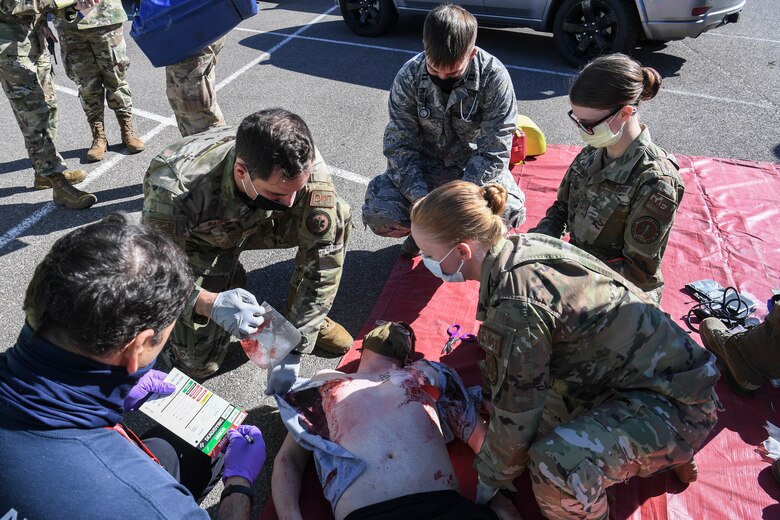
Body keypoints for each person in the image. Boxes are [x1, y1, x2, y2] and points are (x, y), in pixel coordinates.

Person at [410, 180, 720, 519]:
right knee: (523, 418)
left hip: (679, 406)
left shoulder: (517, 304)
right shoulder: (524, 247)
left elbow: (517, 414)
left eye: (428, 254)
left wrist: (489, 480)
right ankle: (663, 450)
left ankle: (668, 451)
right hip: (660, 379)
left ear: (462, 252)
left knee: (554, 467)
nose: (425, 261)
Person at [0, 213, 267, 519]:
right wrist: (239, 485)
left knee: (186, 448)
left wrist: (102, 391)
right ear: (138, 347)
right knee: (217, 449)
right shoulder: (157, 508)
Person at [142, 108, 352, 391]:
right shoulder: (175, 189)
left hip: (264, 225)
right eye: (278, 193)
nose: (290, 203)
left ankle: (305, 319)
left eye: (296, 191)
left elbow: (323, 261)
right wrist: (208, 302)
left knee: (334, 216)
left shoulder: (303, 166)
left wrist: (294, 344)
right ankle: (221, 279)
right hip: (203, 238)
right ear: (242, 171)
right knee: (196, 365)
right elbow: (156, 274)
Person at [272, 321, 520, 520]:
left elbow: (287, 460)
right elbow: (478, 434)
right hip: (412, 508)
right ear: (407, 354)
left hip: (434, 505)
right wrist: (498, 498)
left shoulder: (425, 372)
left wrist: (498, 496)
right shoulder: (327, 381)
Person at [362, 3, 525, 258]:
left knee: (510, 212)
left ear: (471, 55)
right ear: (425, 49)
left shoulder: (494, 77)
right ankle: (424, 237)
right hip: (426, 169)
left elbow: (494, 150)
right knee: (379, 214)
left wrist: (456, 203)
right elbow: (400, 146)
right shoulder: (409, 76)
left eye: (453, 72)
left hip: (472, 169)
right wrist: (421, 203)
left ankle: (454, 239)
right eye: (434, 69)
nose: (442, 77)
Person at [529, 54, 682, 304]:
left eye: (588, 124)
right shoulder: (593, 152)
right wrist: (537, 244)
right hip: (577, 270)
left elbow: (636, 273)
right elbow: (561, 209)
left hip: (621, 296)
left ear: (625, 113)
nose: (582, 131)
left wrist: (563, 275)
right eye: (577, 120)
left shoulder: (656, 181)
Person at [0, 0, 97, 209]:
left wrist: (74, 7)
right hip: (11, 51)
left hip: (36, 43)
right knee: (33, 115)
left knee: (49, 108)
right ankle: (58, 183)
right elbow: (13, 5)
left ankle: (43, 172)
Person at [54, 0, 145, 162]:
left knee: (116, 78)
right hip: (69, 24)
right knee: (86, 84)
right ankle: (98, 136)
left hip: (105, 18)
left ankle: (127, 129)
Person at [166, 36, 226, 137]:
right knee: (182, 105)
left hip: (191, 40)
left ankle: (207, 149)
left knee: (199, 115)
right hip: (182, 41)